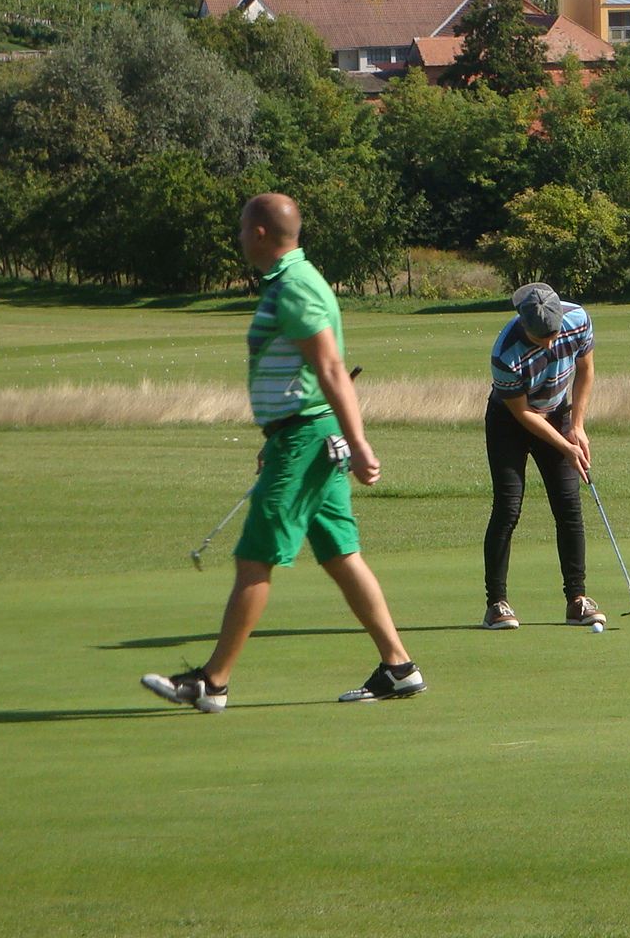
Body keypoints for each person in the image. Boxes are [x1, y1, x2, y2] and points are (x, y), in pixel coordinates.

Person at [143, 193, 423, 713]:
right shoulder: (289, 282)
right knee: (341, 554)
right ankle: (399, 667)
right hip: (299, 438)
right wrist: (276, 439)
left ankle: (213, 682)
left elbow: (332, 369)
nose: (238, 237)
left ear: (261, 234)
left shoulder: (294, 286)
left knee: (254, 558)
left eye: (242, 228)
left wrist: (359, 443)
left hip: (307, 439)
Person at [480, 282, 603, 631]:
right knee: (508, 507)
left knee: (568, 506)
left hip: (558, 411)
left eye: (552, 335)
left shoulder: (578, 319)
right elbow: (523, 415)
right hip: (510, 423)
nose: (550, 344)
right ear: (523, 324)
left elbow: (586, 369)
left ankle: (577, 600)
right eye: (540, 339)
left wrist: (576, 426)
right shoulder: (505, 354)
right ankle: (496, 604)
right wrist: (565, 446)